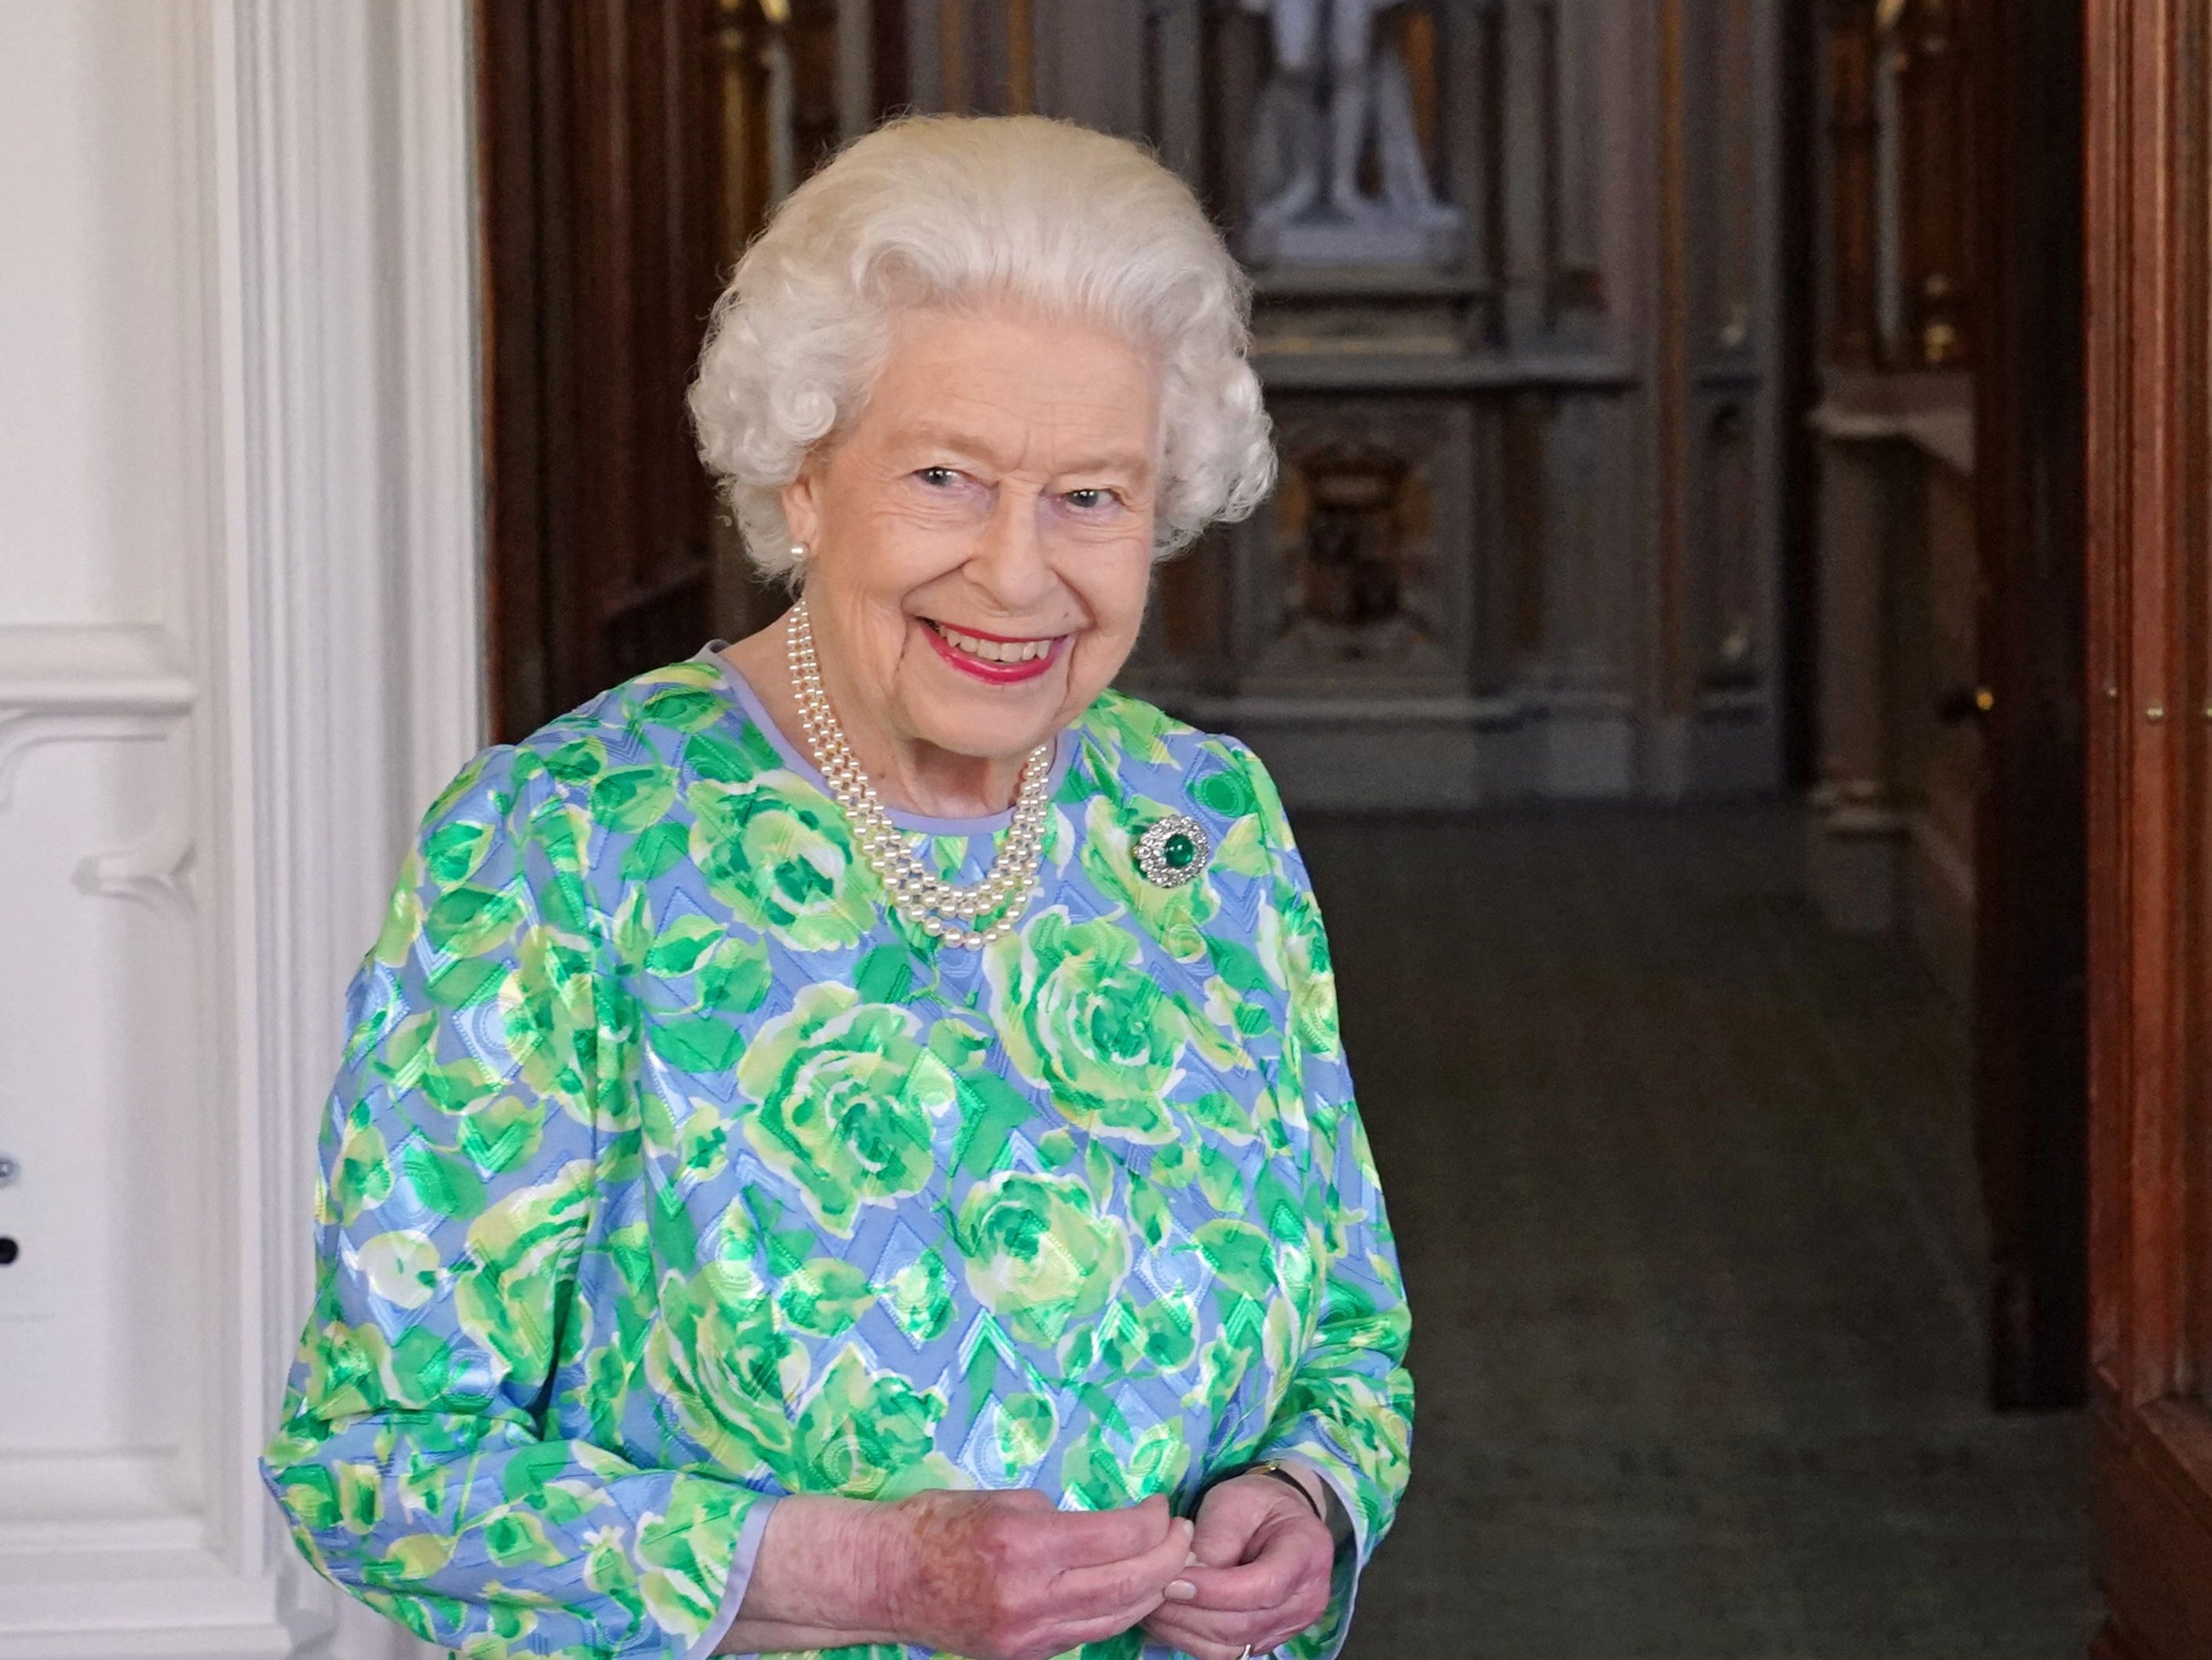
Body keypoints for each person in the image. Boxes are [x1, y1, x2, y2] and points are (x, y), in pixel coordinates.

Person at [261, 114, 1412, 1660]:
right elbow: (376, 1457)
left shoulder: (1202, 821)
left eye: (1092, 496)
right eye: (946, 476)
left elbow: (1352, 1321)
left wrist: (1311, 1489)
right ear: (805, 479)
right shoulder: (564, 846)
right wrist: (868, 1574)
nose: (1018, 574)